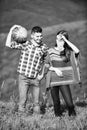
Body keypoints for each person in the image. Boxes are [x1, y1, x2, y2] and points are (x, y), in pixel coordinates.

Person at [5, 25, 48, 114]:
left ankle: (37, 122)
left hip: (36, 78)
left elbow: (46, 62)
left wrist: (42, 74)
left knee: (36, 103)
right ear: (32, 35)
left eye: (40, 36)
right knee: (22, 101)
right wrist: (11, 30)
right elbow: (8, 44)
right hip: (23, 78)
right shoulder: (26, 44)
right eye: (37, 36)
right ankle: (21, 121)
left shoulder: (44, 47)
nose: (39, 38)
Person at [45, 30, 81, 117]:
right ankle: (58, 121)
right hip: (53, 80)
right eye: (57, 38)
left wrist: (66, 40)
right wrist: (55, 69)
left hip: (64, 80)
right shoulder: (50, 51)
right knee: (56, 103)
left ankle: (73, 120)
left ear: (64, 41)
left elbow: (77, 51)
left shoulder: (68, 52)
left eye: (61, 39)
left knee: (70, 104)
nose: (58, 41)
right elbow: (46, 65)